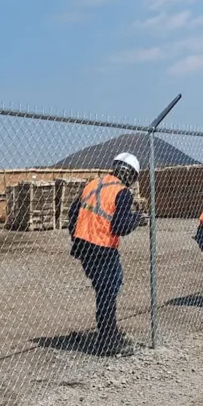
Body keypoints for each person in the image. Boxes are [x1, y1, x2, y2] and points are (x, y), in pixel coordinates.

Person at [67, 152, 148, 356]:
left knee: (107, 288)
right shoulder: (122, 192)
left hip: (83, 245)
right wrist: (136, 219)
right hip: (102, 247)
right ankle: (108, 341)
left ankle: (109, 333)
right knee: (108, 292)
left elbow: (73, 212)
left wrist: (77, 236)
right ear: (131, 175)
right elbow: (120, 226)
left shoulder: (93, 183)